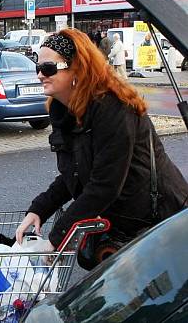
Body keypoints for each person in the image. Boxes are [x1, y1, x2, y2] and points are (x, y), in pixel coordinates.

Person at [15, 29, 188, 269]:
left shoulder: (113, 108)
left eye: (49, 68)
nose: (40, 75)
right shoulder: (62, 110)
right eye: (38, 67)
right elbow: (74, 172)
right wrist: (40, 209)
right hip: (122, 222)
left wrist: (56, 239)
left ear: (77, 68)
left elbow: (104, 185)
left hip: (161, 218)